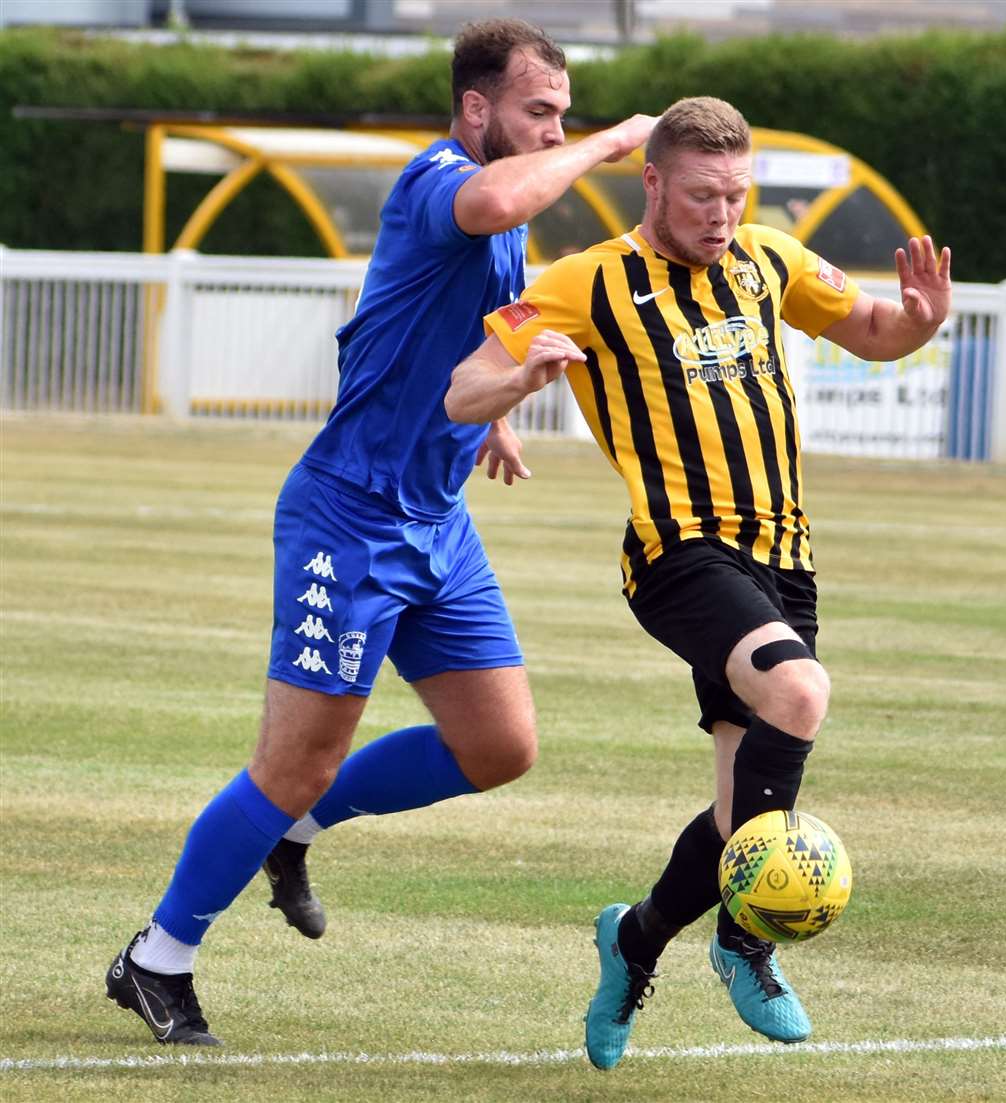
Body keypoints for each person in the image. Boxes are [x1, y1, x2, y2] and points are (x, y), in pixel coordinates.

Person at [105, 18, 655, 1046]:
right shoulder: (439, 178)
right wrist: (611, 142)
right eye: (541, 110)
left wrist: (492, 413)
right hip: (348, 517)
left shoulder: (504, 218)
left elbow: (481, 326)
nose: (555, 129)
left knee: (500, 744)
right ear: (478, 107)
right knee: (295, 760)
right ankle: (157, 956)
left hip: (437, 522)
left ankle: (295, 834)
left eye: (566, 114)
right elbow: (495, 197)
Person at [444, 95, 951, 1069]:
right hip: (678, 553)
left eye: (736, 194)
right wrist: (520, 380)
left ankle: (634, 938)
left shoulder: (770, 260)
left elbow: (877, 330)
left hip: (783, 557)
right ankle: (745, 940)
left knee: (735, 813)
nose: (722, 214)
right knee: (799, 690)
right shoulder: (584, 283)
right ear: (653, 183)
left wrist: (925, 320)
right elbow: (464, 386)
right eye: (702, 196)